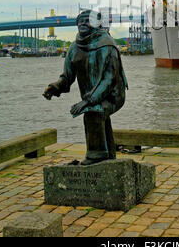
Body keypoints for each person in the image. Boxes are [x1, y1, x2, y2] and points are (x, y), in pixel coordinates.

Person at [43, 10, 128, 165]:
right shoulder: (74, 48)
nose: (83, 23)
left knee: (93, 112)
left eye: (87, 20)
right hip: (91, 96)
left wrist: (87, 101)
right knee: (98, 113)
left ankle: (97, 156)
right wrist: (55, 87)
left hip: (113, 95)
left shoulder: (107, 45)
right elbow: (67, 77)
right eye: (80, 21)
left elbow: (108, 80)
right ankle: (108, 154)